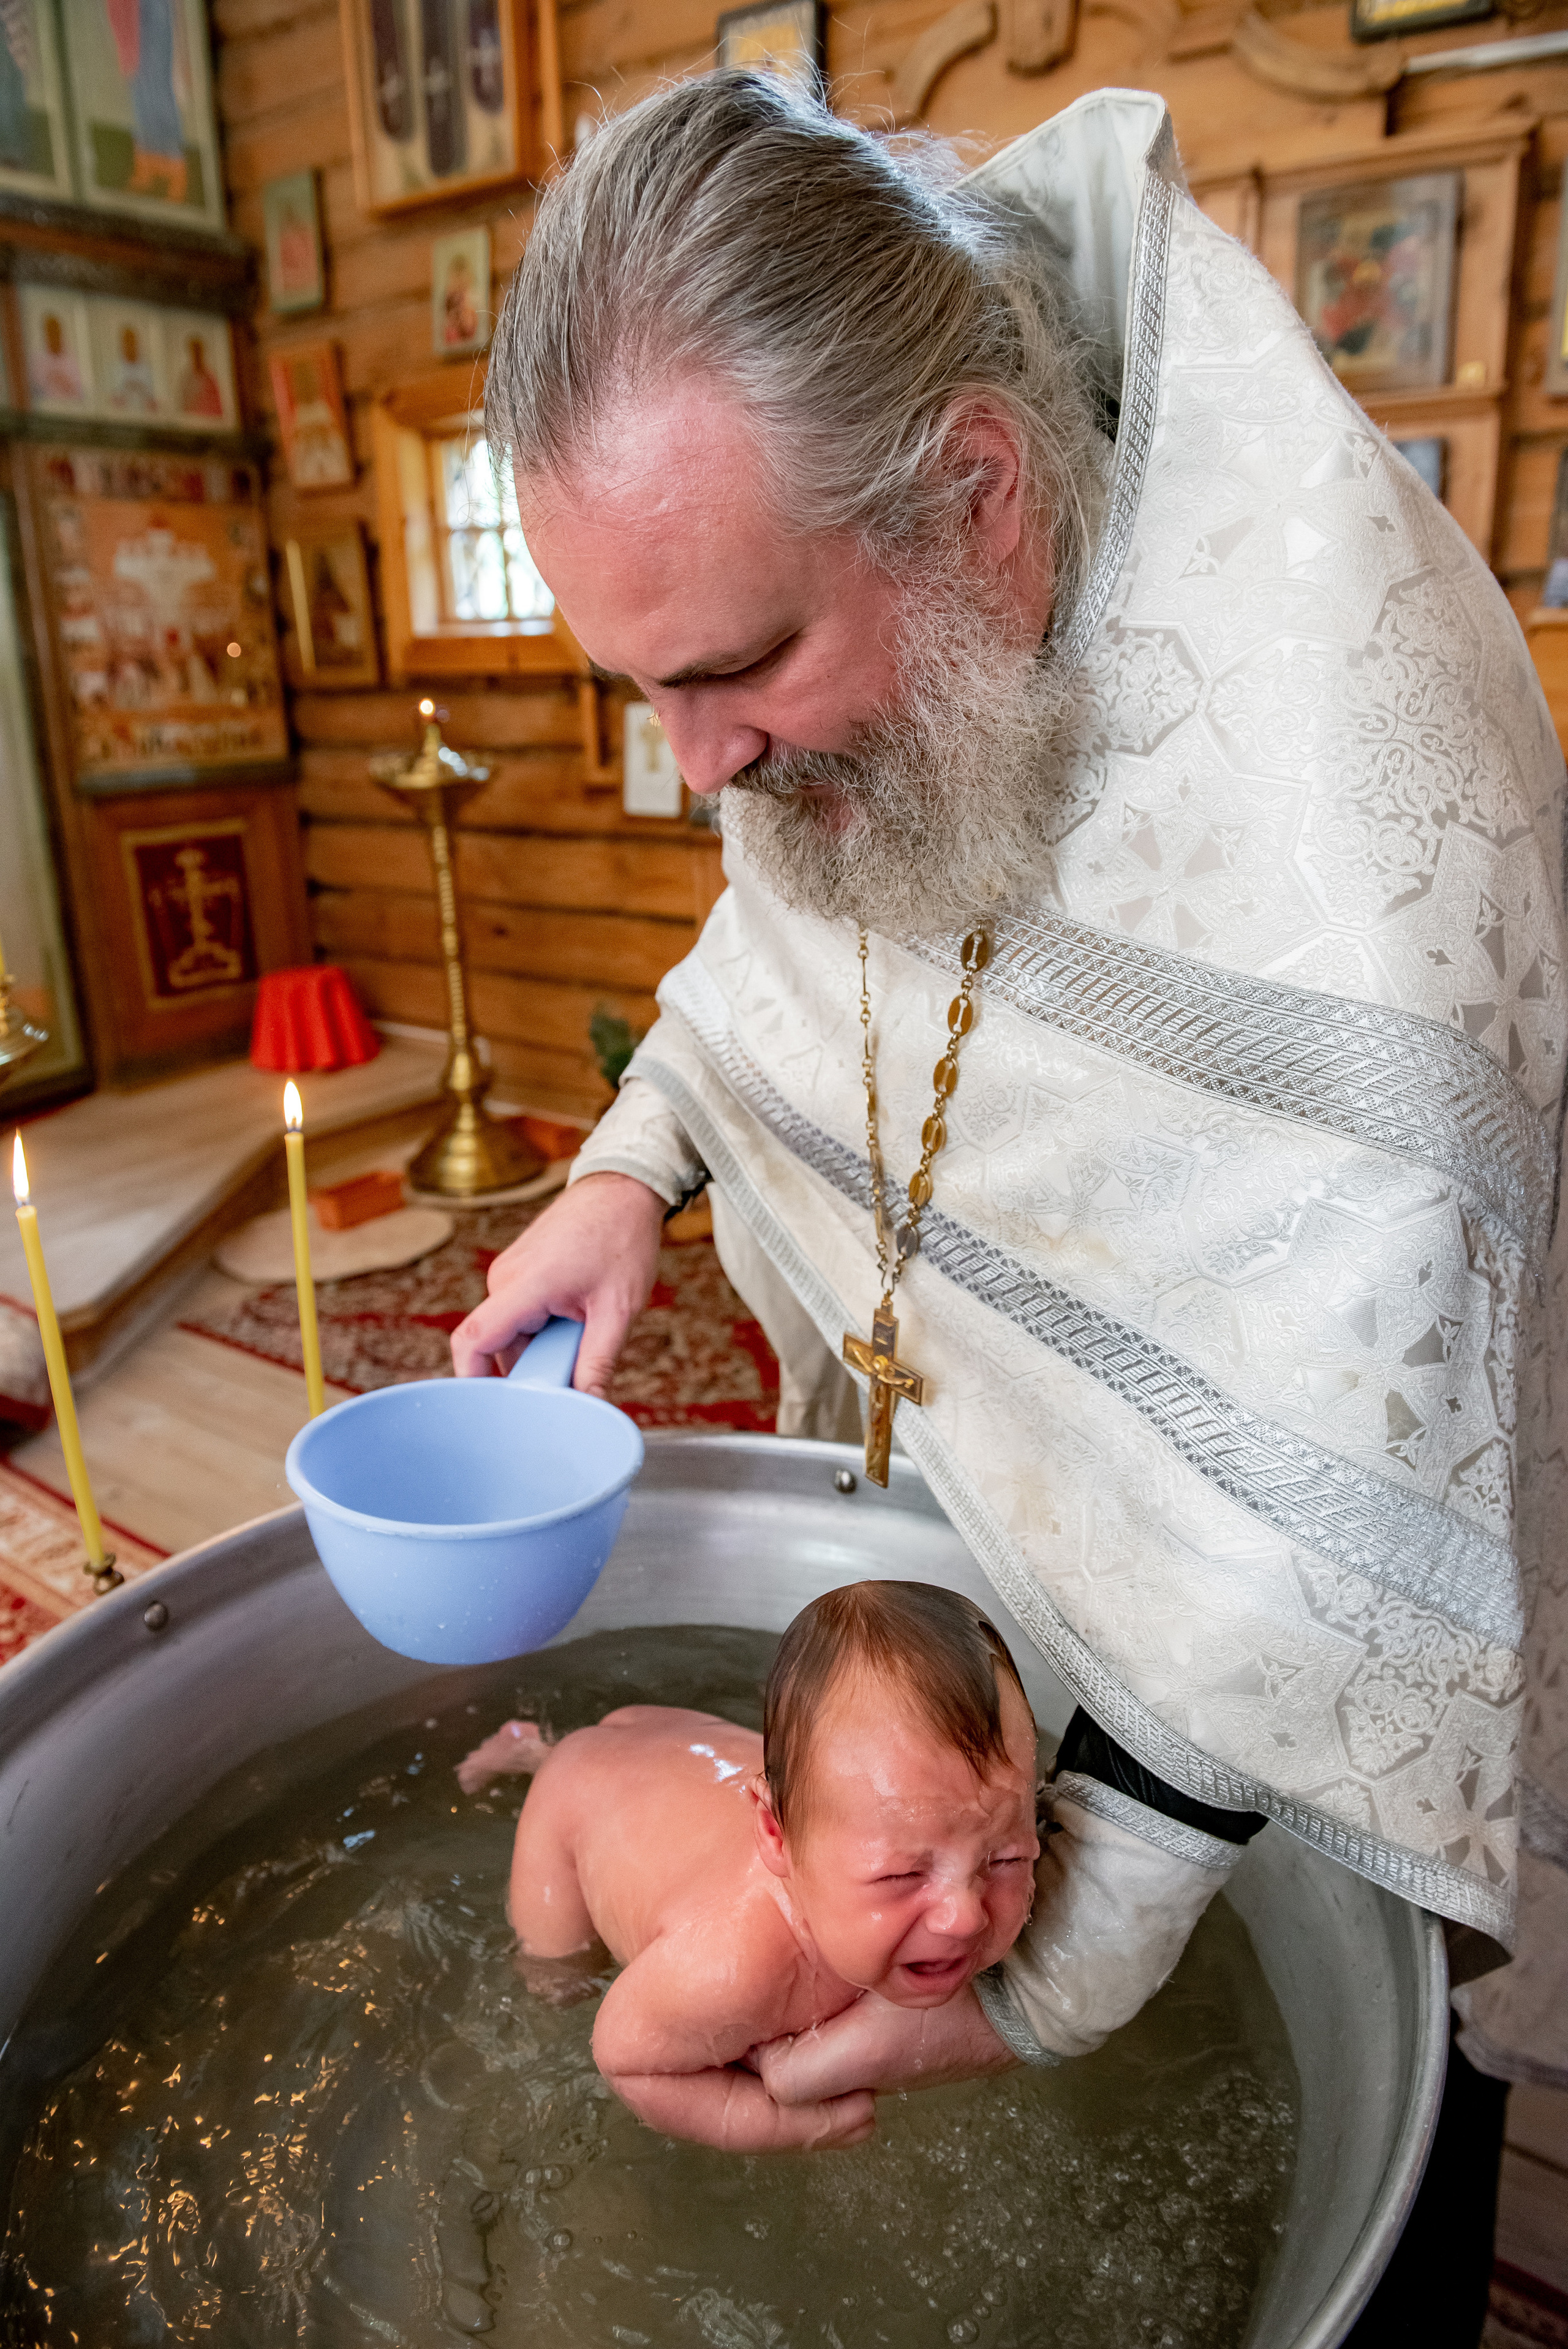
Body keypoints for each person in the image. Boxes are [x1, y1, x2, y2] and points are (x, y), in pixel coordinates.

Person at [456, 69, 1568, 2306]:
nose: (695, 764)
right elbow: (781, 939)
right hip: (992, 1598)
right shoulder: (873, 620)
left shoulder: (1355, 824)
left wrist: (1027, 1993)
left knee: (1393, 2155)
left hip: (1336, 1581)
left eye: (735, 669)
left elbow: (1303, 1523)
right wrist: (634, 1165)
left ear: (975, 495)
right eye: (643, 685)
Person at [457, 1582, 1039, 2151]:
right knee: (555, 1978)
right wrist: (786, 2123)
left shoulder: (890, 1836)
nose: (966, 1917)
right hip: (576, 1792)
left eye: (1007, 1857)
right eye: (902, 1876)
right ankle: (537, 1754)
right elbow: (627, 2059)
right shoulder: (730, 1969)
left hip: (680, 1744)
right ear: (776, 1836)